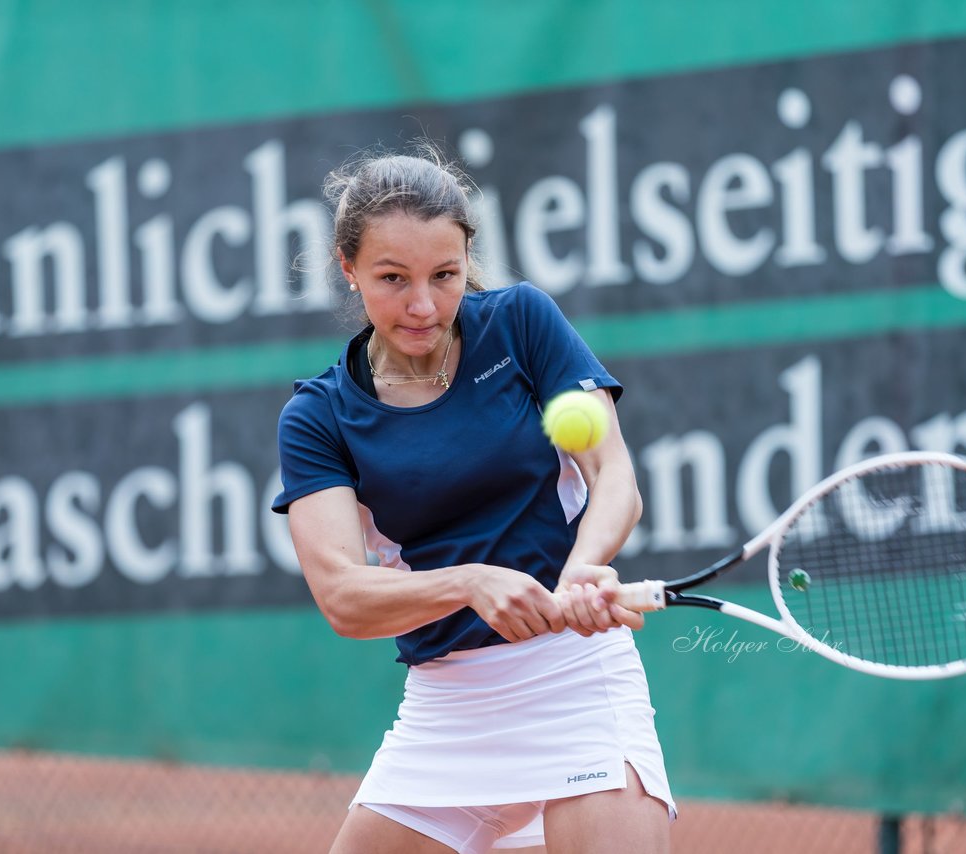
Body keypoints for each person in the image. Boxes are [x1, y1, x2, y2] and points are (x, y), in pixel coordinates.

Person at [271, 144, 675, 854]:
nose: (423, 305)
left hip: (572, 679)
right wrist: (470, 584)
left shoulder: (521, 322)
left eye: (445, 276)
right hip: (447, 706)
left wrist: (582, 567)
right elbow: (342, 596)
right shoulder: (319, 417)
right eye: (392, 278)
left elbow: (615, 479)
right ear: (348, 268)